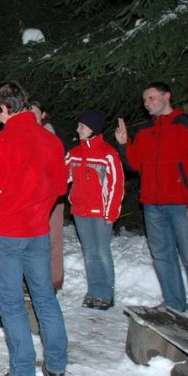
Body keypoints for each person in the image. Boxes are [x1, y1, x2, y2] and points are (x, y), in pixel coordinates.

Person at [0, 82, 68, 376]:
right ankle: (56, 367)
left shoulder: (4, 142)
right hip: (38, 231)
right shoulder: (51, 141)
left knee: (10, 304)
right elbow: (59, 187)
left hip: (7, 234)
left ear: (5, 109)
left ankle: (23, 375)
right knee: (44, 298)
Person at [115, 82, 188, 326]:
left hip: (182, 204)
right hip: (152, 204)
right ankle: (173, 302)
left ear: (167, 96)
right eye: (145, 100)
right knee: (162, 256)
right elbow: (135, 166)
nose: (147, 103)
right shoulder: (146, 131)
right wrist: (124, 144)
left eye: (151, 98)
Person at [65, 110, 125, 310]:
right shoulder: (74, 153)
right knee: (89, 252)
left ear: (93, 129)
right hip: (80, 211)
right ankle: (94, 291)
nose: (78, 129)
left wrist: (111, 212)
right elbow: (60, 176)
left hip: (101, 212)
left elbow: (116, 184)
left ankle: (106, 294)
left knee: (101, 251)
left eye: (82, 126)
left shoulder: (107, 153)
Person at [29, 100, 66, 291]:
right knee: (33, 239)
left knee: (53, 238)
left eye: (35, 112)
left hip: (51, 195)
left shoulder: (50, 136)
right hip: (31, 196)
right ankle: (35, 279)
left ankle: (54, 280)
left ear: (43, 114)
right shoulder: (25, 135)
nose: (31, 115)